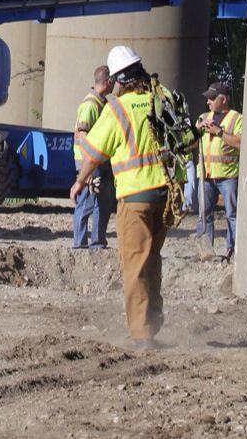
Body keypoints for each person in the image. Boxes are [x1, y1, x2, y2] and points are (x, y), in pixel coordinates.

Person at [69, 45, 171, 348]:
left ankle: (141, 335)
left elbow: (94, 152)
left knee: (134, 264)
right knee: (152, 259)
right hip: (165, 194)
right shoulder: (160, 99)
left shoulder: (117, 108)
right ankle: (153, 322)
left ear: (118, 80)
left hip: (135, 197)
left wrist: (80, 171)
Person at [193, 82, 243, 261]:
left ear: (223, 99)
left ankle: (234, 250)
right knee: (203, 214)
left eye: (212, 98)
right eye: (208, 98)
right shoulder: (203, 117)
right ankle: (205, 251)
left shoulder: (236, 118)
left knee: (232, 214)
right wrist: (196, 130)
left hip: (228, 176)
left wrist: (219, 132)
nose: (208, 102)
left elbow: (240, 143)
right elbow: (190, 142)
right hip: (206, 176)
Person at [71, 66, 113, 250]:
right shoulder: (90, 105)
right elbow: (82, 136)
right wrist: (86, 169)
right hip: (90, 162)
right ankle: (79, 244)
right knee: (86, 202)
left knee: (102, 204)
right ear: (108, 81)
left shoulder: (102, 103)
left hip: (100, 161)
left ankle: (97, 242)